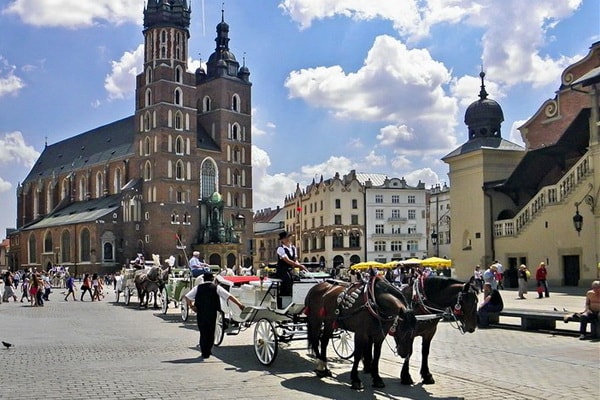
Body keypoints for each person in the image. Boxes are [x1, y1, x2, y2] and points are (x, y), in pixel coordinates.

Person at [184, 272, 245, 358]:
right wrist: (239, 305)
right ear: (213, 279)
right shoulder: (216, 287)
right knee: (211, 331)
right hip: (212, 312)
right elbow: (229, 296)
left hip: (201, 312)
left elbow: (187, 297)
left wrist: (191, 306)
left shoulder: (198, 287)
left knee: (203, 332)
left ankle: (204, 352)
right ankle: (208, 350)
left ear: (203, 279)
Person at [275, 231, 308, 308]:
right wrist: (299, 266)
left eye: (288, 237)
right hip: (282, 269)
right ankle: (286, 297)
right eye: (286, 238)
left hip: (291, 268)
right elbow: (287, 260)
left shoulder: (293, 248)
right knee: (288, 280)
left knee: (299, 279)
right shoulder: (280, 249)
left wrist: (299, 266)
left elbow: (295, 259)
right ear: (282, 240)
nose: (288, 239)